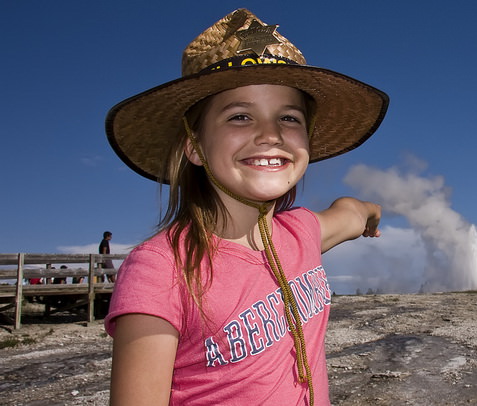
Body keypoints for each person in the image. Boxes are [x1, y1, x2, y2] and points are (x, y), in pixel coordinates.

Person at [103, 9, 388, 406]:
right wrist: (366, 216)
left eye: (289, 118)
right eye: (240, 116)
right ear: (195, 147)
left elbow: (353, 210)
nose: (270, 134)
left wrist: (372, 216)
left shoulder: (302, 232)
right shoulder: (161, 269)